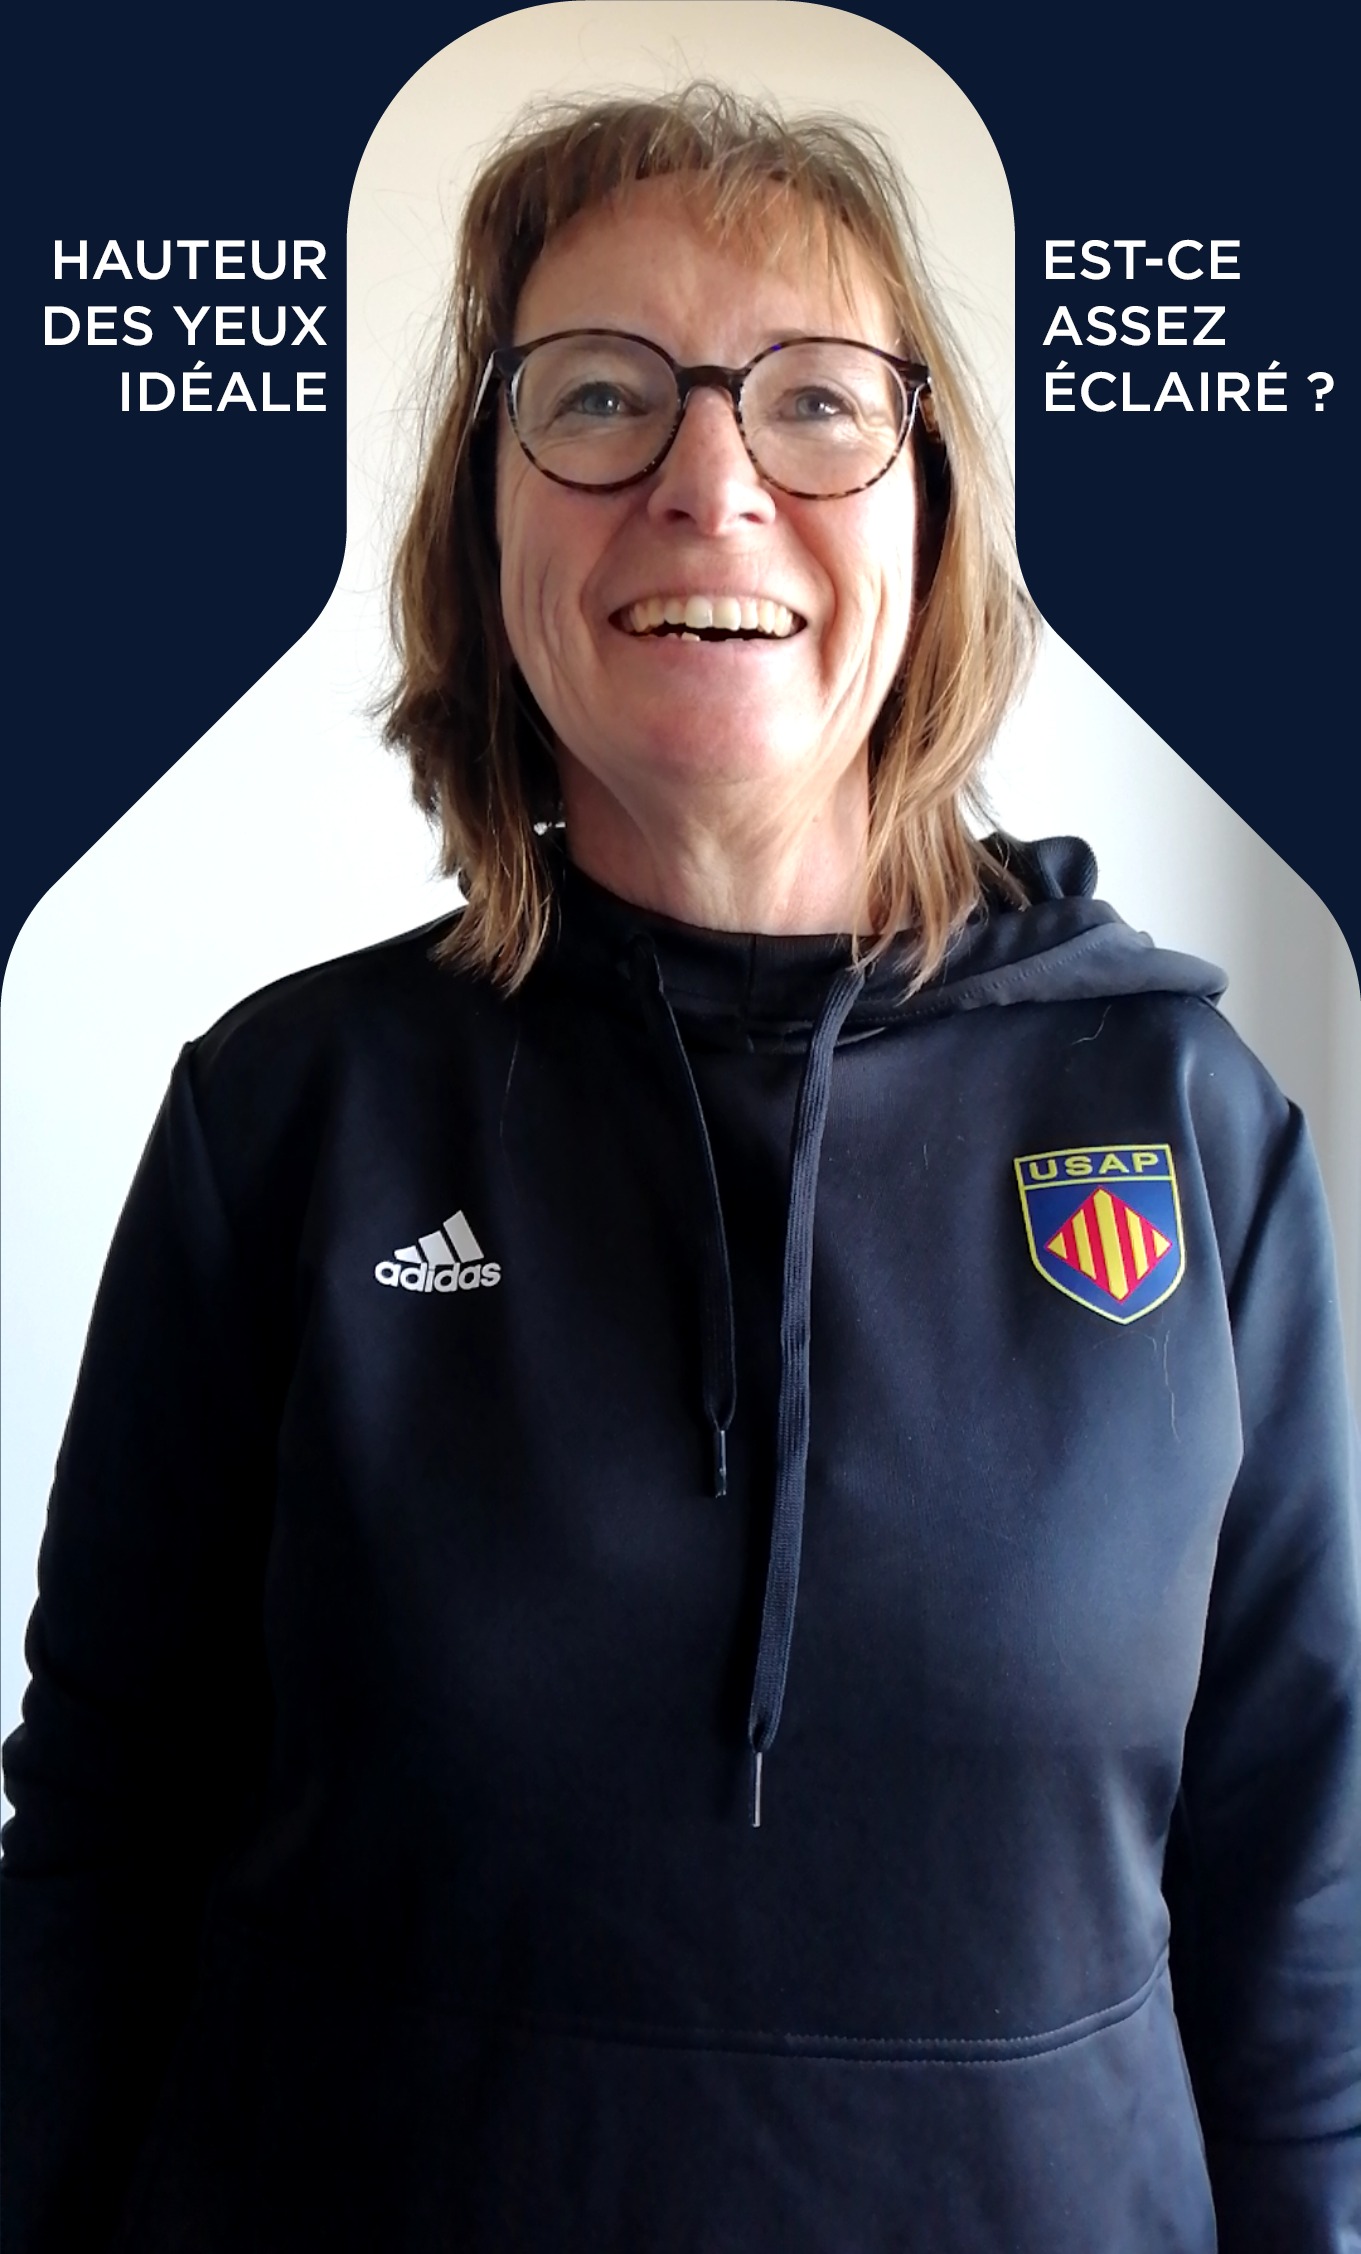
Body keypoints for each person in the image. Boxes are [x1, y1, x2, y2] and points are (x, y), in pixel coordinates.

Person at [3, 82, 1358, 2254]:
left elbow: (1297, 1890)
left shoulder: (1200, 1135)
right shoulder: (286, 1115)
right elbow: (98, 1847)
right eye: (599, 397)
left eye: (813, 402)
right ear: (485, 529)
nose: (707, 483)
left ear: (932, 517)